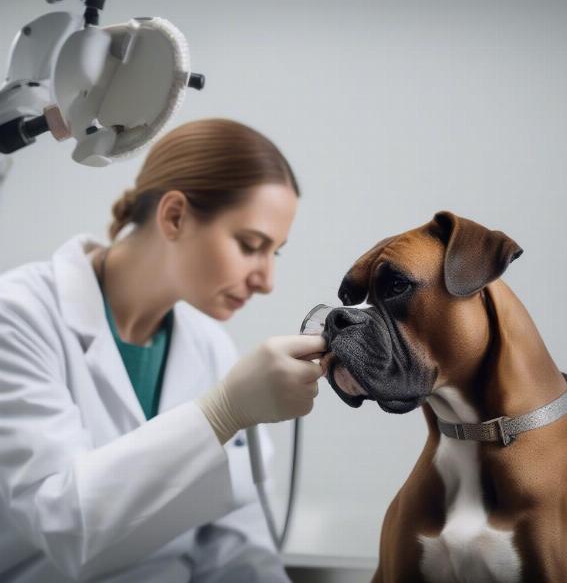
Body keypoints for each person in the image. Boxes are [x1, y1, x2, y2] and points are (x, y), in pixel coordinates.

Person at [0, 119, 325, 583]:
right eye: (251, 245)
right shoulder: (18, 316)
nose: (266, 281)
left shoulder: (210, 347)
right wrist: (220, 413)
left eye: (276, 253)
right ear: (174, 217)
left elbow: (238, 548)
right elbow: (63, 526)